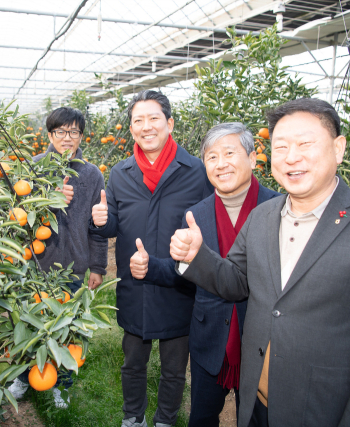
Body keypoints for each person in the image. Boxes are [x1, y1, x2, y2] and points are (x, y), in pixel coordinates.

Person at [170, 98, 350, 427]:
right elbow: (236, 282)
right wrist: (196, 257)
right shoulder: (263, 217)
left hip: (321, 410)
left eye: (305, 144)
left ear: (338, 148)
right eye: (281, 146)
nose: (292, 157)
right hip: (256, 404)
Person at [129, 122, 280, 426]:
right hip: (210, 338)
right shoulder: (196, 214)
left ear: (252, 159)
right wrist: (149, 267)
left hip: (262, 342)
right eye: (211, 157)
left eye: (229, 153)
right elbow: (183, 270)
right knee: (202, 417)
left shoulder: (278, 208)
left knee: (259, 420)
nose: (220, 163)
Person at [90, 90, 213, 427]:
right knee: (133, 363)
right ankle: (133, 418)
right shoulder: (121, 174)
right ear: (131, 129)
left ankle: (165, 419)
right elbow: (112, 226)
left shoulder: (196, 172)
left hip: (179, 286)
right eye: (138, 121)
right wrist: (99, 221)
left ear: (169, 123)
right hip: (137, 285)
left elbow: (209, 229)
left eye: (153, 118)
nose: (146, 127)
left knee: (174, 368)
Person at [9, 106, 108, 408]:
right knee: (29, 324)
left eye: (74, 132)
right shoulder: (33, 168)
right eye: (61, 131)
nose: (68, 138)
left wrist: (98, 265)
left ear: (81, 135)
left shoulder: (91, 175)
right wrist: (47, 199)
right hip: (37, 265)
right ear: (50, 134)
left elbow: (97, 226)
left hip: (75, 267)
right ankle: (24, 377)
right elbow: (16, 217)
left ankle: (61, 384)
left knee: (68, 330)